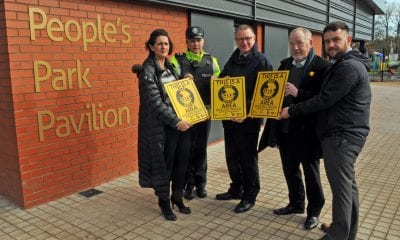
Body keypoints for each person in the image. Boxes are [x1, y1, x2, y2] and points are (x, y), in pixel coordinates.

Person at [279, 22, 371, 240]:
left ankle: (337, 235)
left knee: (341, 191)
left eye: (336, 40)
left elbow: (324, 99)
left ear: (348, 40)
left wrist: (291, 110)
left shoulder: (348, 67)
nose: (330, 44)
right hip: (340, 135)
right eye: (328, 40)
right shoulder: (342, 63)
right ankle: (348, 231)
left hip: (342, 136)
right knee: (348, 188)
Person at [259, 27, 329, 230]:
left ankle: (314, 212)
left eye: (299, 43)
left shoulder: (322, 66)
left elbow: (322, 100)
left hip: (308, 133)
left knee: (311, 174)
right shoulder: (285, 64)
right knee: (290, 171)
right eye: (292, 43)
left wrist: (299, 93)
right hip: (285, 129)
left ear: (310, 43)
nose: (296, 47)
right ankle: (296, 203)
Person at [132, 29, 193, 221]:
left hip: (180, 125)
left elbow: (174, 93)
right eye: (159, 44)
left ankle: (177, 196)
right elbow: (156, 103)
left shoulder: (170, 67)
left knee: (181, 163)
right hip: (163, 128)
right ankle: (164, 202)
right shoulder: (147, 71)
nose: (164, 47)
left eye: (166, 43)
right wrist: (176, 121)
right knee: (164, 167)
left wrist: (184, 81)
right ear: (151, 46)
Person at [216, 24, 273, 213]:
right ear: (236, 40)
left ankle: (250, 195)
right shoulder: (235, 57)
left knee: (247, 159)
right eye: (240, 39)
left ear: (254, 39)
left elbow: (266, 94)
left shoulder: (261, 61)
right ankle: (236, 189)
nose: (244, 42)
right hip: (230, 119)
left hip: (248, 120)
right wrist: (219, 81)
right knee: (232, 157)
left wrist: (247, 112)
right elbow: (224, 78)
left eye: (248, 38)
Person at [170, 26, 221, 200]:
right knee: (186, 150)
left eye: (198, 40)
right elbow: (169, 85)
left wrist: (219, 82)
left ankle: (201, 184)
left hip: (205, 113)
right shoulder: (177, 61)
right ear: (187, 42)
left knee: (201, 149)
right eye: (192, 40)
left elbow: (220, 88)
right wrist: (180, 79)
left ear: (203, 41)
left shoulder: (212, 61)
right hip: (186, 115)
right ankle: (188, 185)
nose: (195, 44)